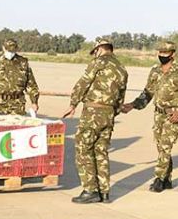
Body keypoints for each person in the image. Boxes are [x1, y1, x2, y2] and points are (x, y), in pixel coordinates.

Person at [63, 39, 128, 204]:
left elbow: (83, 83)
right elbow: (121, 95)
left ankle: (90, 190)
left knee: (83, 150)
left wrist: (73, 104)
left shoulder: (98, 62)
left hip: (93, 112)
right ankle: (104, 192)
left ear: (99, 49)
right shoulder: (122, 68)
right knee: (101, 151)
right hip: (109, 113)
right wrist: (114, 111)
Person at [121, 40, 178, 193]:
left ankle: (159, 179)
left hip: (173, 115)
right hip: (158, 114)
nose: (162, 55)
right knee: (161, 147)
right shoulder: (155, 71)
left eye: (165, 53)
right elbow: (148, 92)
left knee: (166, 146)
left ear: (173, 54)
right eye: (160, 52)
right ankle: (166, 179)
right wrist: (132, 105)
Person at [0, 39, 40, 115]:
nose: (10, 53)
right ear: (3, 48)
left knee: (16, 126)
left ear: (16, 49)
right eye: (9, 50)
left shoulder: (23, 63)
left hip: (17, 105)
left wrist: (34, 101)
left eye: (12, 51)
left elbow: (31, 84)